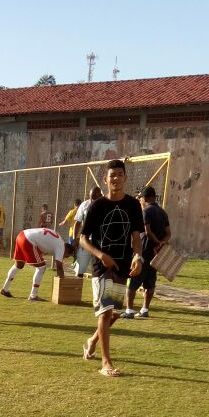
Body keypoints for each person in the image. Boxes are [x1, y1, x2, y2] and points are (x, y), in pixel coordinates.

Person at [79, 159, 143, 377]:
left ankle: (92, 341)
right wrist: (101, 255)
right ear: (105, 180)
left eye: (119, 174)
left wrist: (138, 256)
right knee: (106, 312)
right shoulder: (97, 206)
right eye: (112, 175)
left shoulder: (133, 205)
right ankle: (106, 363)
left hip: (122, 265)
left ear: (125, 177)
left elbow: (136, 237)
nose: (116, 178)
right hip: (101, 266)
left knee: (113, 314)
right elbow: (83, 239)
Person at [122, 185, 171, 319]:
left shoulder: (146, 211)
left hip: (144, 251)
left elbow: (148, 232)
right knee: (150, 282)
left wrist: (156, 242)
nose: (140, 201)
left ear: (144, 198)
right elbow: (168, 233)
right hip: (156, 254)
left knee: (133, 281)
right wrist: (161, 243)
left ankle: (129, 310)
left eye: (140, 198)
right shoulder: (163, 212)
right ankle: (144, 309)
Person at [0, 226, 73, 300]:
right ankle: (33, 296)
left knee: (19, 265)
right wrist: (64, 284)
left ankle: (5, 289)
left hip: (21, 235)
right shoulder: (61, 247)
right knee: (41, 267)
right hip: (29, 240)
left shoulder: (59, 240)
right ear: (67, 250)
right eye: (66, 256)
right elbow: (59, 268)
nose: (64, 257)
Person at [73, 186, 103, 277]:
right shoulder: (84, 205)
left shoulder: (105, 204)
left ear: (100, 195)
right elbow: (77, 223)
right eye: (91, 198)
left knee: (99, 271)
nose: (92, 200)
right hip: (85, 241)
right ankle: (77, 285)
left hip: (99, 242)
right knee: (80, 269)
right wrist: (75, 239)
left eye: (94, 197)